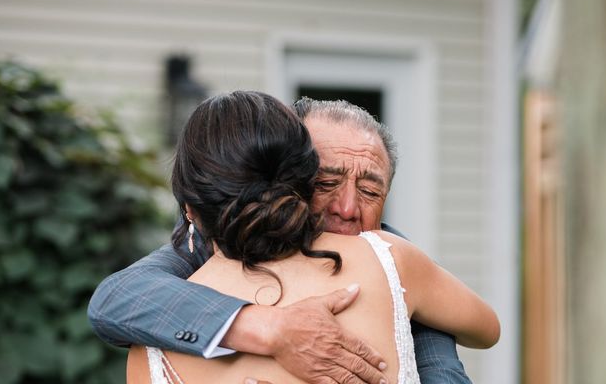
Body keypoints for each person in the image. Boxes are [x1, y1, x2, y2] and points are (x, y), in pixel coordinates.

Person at [88, 96, 476, 383]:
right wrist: (269, 328)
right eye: (326, 182)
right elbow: (117, 300)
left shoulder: (390, 255)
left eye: (371, 192)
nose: (347, 208)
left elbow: (448, 357)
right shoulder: (206, 246)